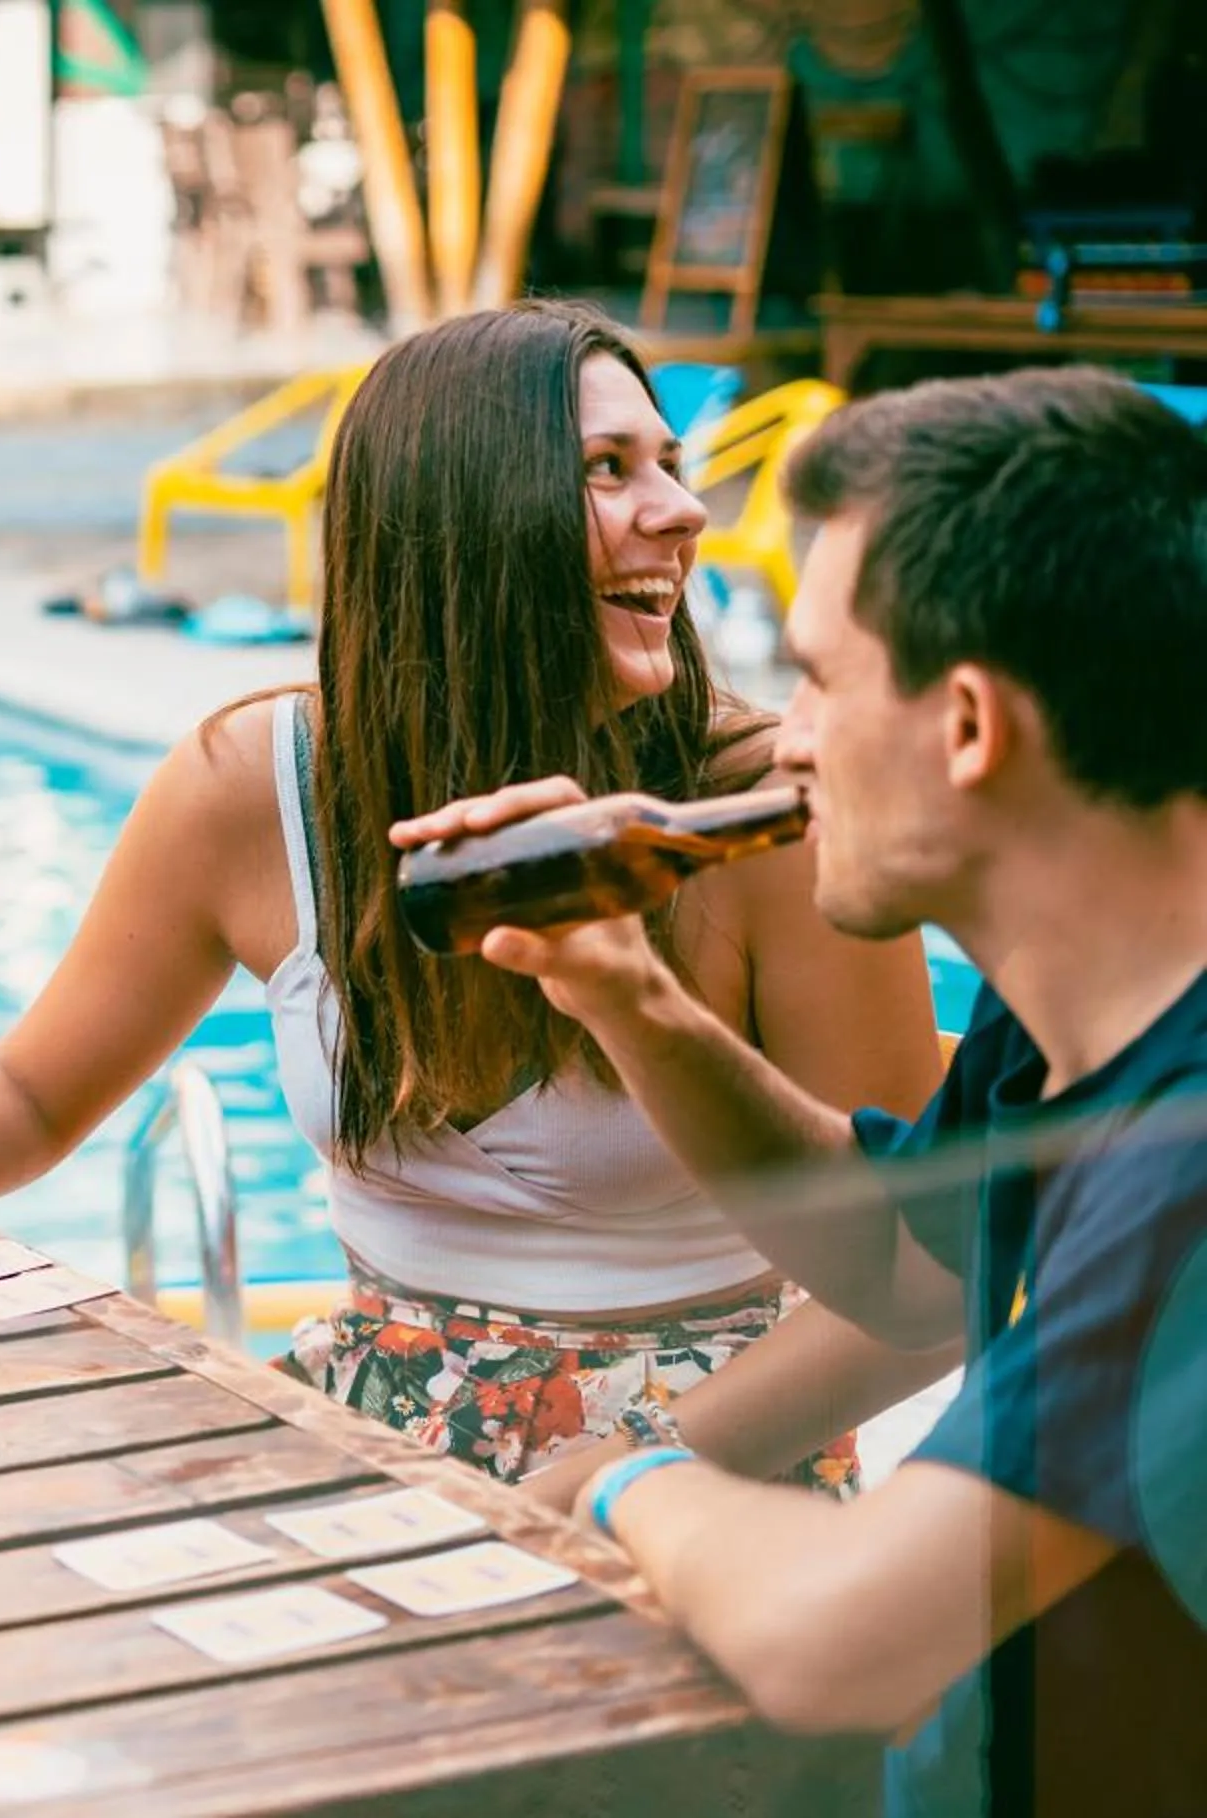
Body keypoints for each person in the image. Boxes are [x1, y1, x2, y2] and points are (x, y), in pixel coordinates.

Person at [0, 301, 952, 1494]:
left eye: (669, 465)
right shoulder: (254, 788)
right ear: (464, 525)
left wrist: (631, 1472)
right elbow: (30, 1092)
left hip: (710, 1463)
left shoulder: (764, 819)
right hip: (372, 1437)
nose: (683, 512)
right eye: (609, 470)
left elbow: (920, 1278)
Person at [397, 366, 1207, 1811]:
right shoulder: (1062, 1018)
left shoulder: (1186, 1161)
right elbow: (899, 1264)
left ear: (967, 725)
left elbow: (843, 1644)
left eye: (823, 678)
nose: (786, 742)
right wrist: (623, 990)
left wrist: (615, 1481)